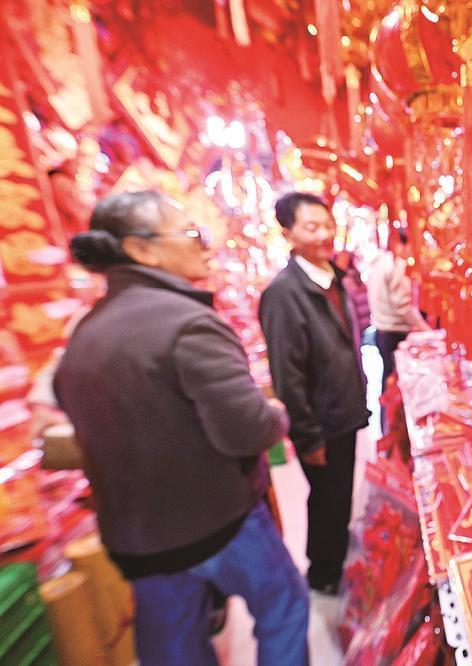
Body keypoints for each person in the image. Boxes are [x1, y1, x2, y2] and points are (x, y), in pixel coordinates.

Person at [53, 191, 309, 666]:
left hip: (136, 538)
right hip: (217, 523)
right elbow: (246, 431)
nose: (204, 246)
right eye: (193, 234)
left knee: (175, 647)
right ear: (141, 249)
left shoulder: (84, 333)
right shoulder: (187, 323)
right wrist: (277, 412)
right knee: (283, 608)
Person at [259, 192, 369, 595]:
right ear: (288, 233)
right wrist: (307, 436)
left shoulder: (334, 278)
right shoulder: (284, 293)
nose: (324, 234)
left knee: (338, 494)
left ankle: (332, 554)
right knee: (327, 498)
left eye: (327, 225)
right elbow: (287, 375)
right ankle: (323, 573)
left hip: (344, 410)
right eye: (311, 227)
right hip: (322, 421)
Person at [366, 236, 432, 391]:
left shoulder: (381, 261)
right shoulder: (396, 266)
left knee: (388, 379)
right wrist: (426, 330)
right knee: (394, 383)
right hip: (394, 333)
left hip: (382, 330)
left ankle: (384, 406)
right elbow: (402, 306)